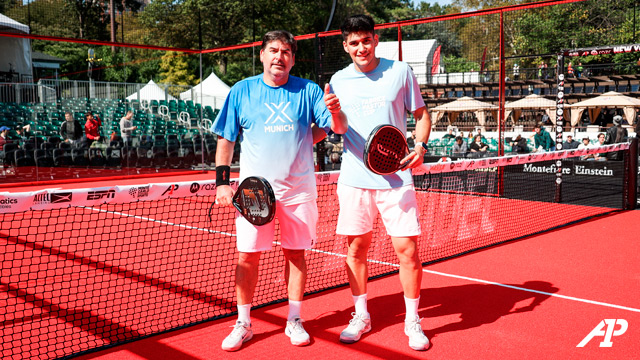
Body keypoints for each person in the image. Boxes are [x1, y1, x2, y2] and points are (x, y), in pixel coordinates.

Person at [212, 30, 347, 352]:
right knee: (246, 256)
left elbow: (334, 129)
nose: (279, 57)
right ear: (261, 54)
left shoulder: (309, 90)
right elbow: (226, 139)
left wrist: (335, 110)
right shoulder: (242, 91)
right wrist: (221, 182)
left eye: (286, 52)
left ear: (293, 59)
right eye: (273, 50)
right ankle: (243, 322)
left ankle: (295, 319)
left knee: (296, 254)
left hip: (299, 190)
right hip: (254, 192)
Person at [328, 14, 431, 351]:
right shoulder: (338, 81)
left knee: (408, 251)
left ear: (375, 39)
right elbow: (340, 128)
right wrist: (332, 113)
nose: (361, 47)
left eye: (366, 40)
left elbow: (421, 115)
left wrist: (420, 145)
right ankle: (361, 315)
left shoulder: (400, 72)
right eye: (353, 43)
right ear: (346, 46)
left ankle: (412, 319)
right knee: (356, 250)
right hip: (354, 179)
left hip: (397, 178)